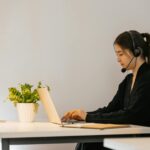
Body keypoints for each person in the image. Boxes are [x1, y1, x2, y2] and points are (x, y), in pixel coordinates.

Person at [62, 30, 150, 150]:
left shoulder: (147, 77)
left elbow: (130, 115)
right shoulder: (128, 80)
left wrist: (87, 117)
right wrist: (83, 115)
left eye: (120, 54)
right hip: (130, 137)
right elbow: (110, 109)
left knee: (89, 145)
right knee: (86, 141)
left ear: (136, 52)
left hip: (142, 141)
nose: (118, 59)